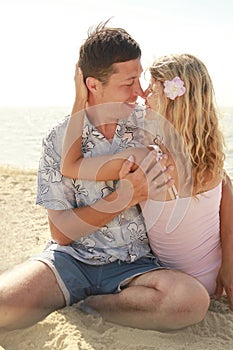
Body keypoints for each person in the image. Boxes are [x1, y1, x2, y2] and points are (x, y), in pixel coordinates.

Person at [0, 22, 213, 332]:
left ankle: (90, 307)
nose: (140, 92)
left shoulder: (151, 125)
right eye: (128, 83)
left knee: (189, 301)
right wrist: (125, 196)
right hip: (71, 260)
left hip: (138, 266)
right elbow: (61, 232)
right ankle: (69, 294)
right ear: (93, 85)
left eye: (140, 80)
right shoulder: (59, 139)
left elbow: (206, 159)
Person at [60, 52, 233, 309]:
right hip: (211, 283)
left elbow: (70, 165)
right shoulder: (212, 158)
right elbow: (228, 219)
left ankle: (93, 307)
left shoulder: (146, 159)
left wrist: (79, 99)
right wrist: (229, 266)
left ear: (173, 100)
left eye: (151, 90)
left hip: (186, 286)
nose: (142, 95)